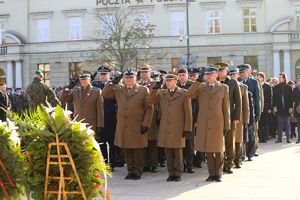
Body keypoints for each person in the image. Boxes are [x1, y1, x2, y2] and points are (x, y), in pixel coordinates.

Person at [102, 70, 153, 180]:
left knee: (137, 150)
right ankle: (130, 171)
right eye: (127, 77)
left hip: (137, 124)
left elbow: (149, 108)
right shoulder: (119, 89)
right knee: (127, 150)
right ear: (124, 79)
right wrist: (112, 83)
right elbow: (105, 94)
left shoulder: (143, 90)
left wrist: (146, 124)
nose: (129, 79)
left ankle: (138, 171)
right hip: (124, 125)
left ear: (135, 78)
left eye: (131, 77)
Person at [187, 66, 230, 182]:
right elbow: (189, 95)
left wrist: (227, 125)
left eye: (211, 74)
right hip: (204, 123)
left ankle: (218, 173)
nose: (209, 76)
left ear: (217, 75)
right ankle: (211, 174)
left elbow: (226, 108)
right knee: (209, 150)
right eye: (207, 74)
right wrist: (198, 81)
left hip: (218, 122)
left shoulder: (223, 88)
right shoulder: (201, 87)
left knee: (219, 149)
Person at [147, 74, 192, 182]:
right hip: (165, 127)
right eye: (166, 81)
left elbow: (188, 113)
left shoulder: (183, 93)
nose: (168, 83)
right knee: (168, 151)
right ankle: (171, 172)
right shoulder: (162, 93)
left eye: (170, 81)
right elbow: (149, 101)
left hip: (178, 127)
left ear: (176, 81)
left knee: (178, 152)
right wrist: (155, 88)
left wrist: (187, 128)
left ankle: (178, 173)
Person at [216, 62, 242, 174]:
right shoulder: (214, 83)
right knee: (217, 142)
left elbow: (238, 101)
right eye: (219, 70)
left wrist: (236, 117)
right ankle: (219, 163)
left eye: (222, 70)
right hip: (216, 118)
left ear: (226, 71)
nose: (220, 72)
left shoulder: (232, 82)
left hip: (229, 117)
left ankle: (229, 163)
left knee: (229, 141)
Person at [92, 66, 118, 170]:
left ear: (109, 75)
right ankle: (104, 163)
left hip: (110, 117)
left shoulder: (114, 85)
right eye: (101, 74)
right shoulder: (96, 85)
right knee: (101, 142)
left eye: (105, 74)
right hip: (100, 118)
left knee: (112, 143)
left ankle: (112, 163)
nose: (103, 76)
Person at [138, 65, 160, 173]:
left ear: (150, 73)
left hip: (153, 115)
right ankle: (145, 164)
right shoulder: (137, 84)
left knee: (152, 142)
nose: (143, 74)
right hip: (141, 116)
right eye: (142, 72)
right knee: (143, 142)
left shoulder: (155, 84)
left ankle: (154, 164)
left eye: (146, 72)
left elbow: (158, 100)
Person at [237, 64, 261, 161]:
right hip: (240, 112)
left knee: (251, 134)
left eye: (243, 72)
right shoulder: (237, 82)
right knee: (241, 134)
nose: (241, 74)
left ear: (248, 72)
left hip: (251, 112)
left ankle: (250, 153)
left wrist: (258, 113)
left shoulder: (254, 82)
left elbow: (257, 98)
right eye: (240, 72)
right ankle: (241, 153)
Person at [228, 67, 249, 168]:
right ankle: (230, 160)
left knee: (238, 140)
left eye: (234, 74)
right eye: (231, 74)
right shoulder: (226, 86)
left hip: (238, 118)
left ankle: (237, 159)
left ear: (238, 75)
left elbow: (245, 105)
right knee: (229, 140)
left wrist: (246, 119)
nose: (232, 76)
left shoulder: (243, 87)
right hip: (229, 117)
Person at [177, 68, 195, 173]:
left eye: (183, 75)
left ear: (187, 76)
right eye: (180, 75)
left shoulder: (192, 85)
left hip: (190, 118)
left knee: (189, 143)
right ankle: (181, 164)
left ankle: (189, 165)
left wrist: (195, 118)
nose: (182, 77)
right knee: (179, 142)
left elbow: (197, 103)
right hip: (178, 119)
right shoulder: (175, 86)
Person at [273, 72, 293, 143]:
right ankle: (279, 139)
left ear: (284, 78)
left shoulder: (289, 87)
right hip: (279, 108)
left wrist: (291, 107)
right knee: (280, 124)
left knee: (287, 124)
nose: (279, 78)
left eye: (280, 77)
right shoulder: (276, 87)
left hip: (287, 108)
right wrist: (274, 106)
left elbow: (291, 98)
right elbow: (274, 98)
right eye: (279, 77)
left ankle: (288, 139)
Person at [257, 72, 272, 143]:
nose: (259, 78)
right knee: (259, 122)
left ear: (263, 77)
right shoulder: (256, 85)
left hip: (266, 107)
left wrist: (270, 108)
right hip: (259, 107)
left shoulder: (267, 86)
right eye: (257, 77)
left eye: (260, 77)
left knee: (265, 122)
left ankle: (266, 137)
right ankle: (260, 137)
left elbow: (270, 98)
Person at [293, 76, 300, 144]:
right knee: (298, 124)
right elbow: (293, 98)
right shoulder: (295, 89)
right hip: (298, 108)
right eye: (298, 80)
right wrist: (298, 103)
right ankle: (298, 138)